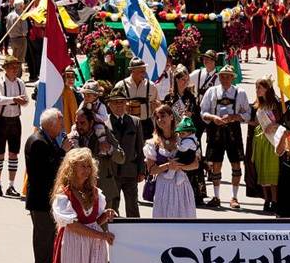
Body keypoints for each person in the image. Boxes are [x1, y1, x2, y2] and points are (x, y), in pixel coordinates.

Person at [48, 148, 116, 263]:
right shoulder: (64, 195)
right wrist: (101, 236)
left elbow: (92, 221)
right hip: (73, 246)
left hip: (93, 246)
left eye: (88, 166)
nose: (87, 170)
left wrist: (104, 216)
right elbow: (72, 225)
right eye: (82, 166)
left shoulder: (95, 192)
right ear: (71, 168)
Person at [24, 108, 70, 263]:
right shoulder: (38, 142)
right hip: (41, 201)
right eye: (60, 123)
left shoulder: (47, 139)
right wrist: (63, 152)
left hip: (47, 199)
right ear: (51, 124)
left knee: (50, 238)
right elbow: (47, 171)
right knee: (43, 239)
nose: (62, 126)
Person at [200, 65, 251, 209]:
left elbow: (248, 114)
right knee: (216, 164)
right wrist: (213, 117)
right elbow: (203, 112)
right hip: (215, 130)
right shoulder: (212, 91)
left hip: (233, 131)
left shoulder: (240, 93)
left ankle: (234, 197)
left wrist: (234, 117)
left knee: (236, 163)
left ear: (233, 78)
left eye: (228, 76)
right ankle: (216, 197)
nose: (225, 79)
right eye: (222, 76)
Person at [144, 104, 198, 218]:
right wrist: (168, 166)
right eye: (157, 118)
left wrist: (179, 167)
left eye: (163, 116)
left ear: (171, 117)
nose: (160, 120)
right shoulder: (153, 143)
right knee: (164, 219)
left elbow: (195, 165)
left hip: (182, 185)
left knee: (184, 218)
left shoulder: (183, 138)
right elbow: (151, 170)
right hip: (163, 186)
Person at [70, 108, 124, 215]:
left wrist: (109, 149)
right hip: (81, 191)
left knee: (104, 222)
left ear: (91, 123)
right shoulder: (74, 137)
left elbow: (121, 158)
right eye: (77, 123)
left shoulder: (103, 133)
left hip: (103, 189)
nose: (79, 126)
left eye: (82, 123)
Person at [164, 66, 206, 205]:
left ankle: (196, 194)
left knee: (192, 161)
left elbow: (199, 118)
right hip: (174, 135)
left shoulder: (192, 98)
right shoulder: (169, 98)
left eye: (186, 79)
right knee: (175, 161)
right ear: (176, 80)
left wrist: (191, 116)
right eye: (182, 79)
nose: (185, 82)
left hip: (189, 135)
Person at [106, 86, 146, 218]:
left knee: (132, 206)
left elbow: (140, 148)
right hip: (111, 172)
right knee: (112, 207)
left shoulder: (135, 122)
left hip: (130, 171)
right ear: (109, 104)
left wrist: (141, 171)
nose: (119, 105)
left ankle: (134, 229)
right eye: (115, 102)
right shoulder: (104, 123)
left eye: (122, 102)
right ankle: (113, 229)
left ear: (126, 103)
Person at [0, 55, 28, 197]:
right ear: (5, 68)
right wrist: (14, 99)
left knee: (14, 153)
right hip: (1, 120)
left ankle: (11, 185)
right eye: (12, 67)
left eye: (16, 67)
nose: (15, 69)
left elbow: (26, 100)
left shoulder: (20, 83)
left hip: (15, 120)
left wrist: (23, 101)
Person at [251, 77, 283, 213]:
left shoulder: (276, 104)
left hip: (273, 140)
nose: (257, 90)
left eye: (260, 87)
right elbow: (256, 122)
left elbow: (283, 122)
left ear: (267, 89)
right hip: (260, 140)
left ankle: (275, 201)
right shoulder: (258, 105)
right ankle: (266, 199)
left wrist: (274, 125)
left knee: (273, 172)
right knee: (262, 171)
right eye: (256, 87)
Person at [115, 57, 158, 139]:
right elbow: (113, 106)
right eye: (141, 71)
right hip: (126, 124)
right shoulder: (120, 86)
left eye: (144, 71)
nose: (144, 73)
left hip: (146, 125)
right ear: (132, 71)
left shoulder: (151, 86)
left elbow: (156, 108)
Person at [6, 0, 29, 70]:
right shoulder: (21, 15)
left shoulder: (9, 15)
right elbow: (25, 30)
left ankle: (14, 73)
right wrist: (24, 34)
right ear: (21, 6)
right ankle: (17, 74)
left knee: (14, 59)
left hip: (12, 38)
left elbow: (7, 27)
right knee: (19, 60)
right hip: (20, 39)